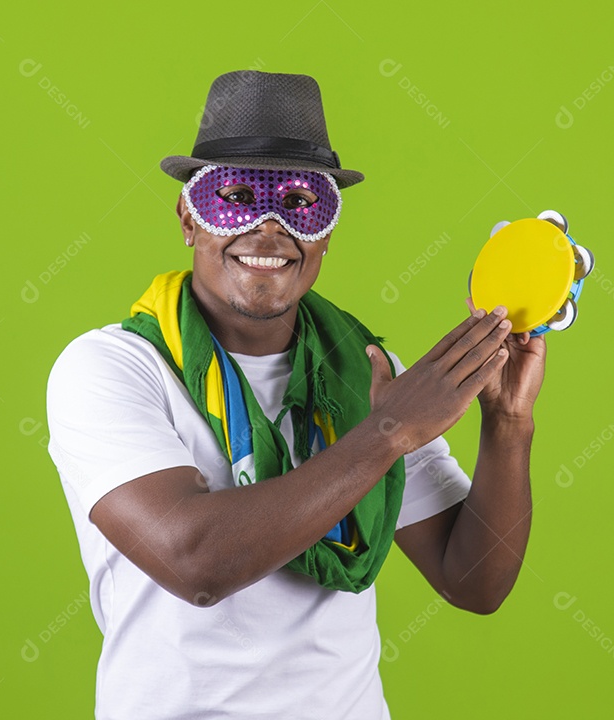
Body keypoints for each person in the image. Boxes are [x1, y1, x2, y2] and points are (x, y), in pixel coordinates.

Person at [46, 69, 547, 720]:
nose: (268, 229)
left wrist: (508, 426)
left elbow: (473, 581)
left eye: (301, 202)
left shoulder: (366, 369)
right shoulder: (111, 368)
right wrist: (390, 429)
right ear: (188, 220)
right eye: (234, 196)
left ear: (326, 233)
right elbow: (194, 564)